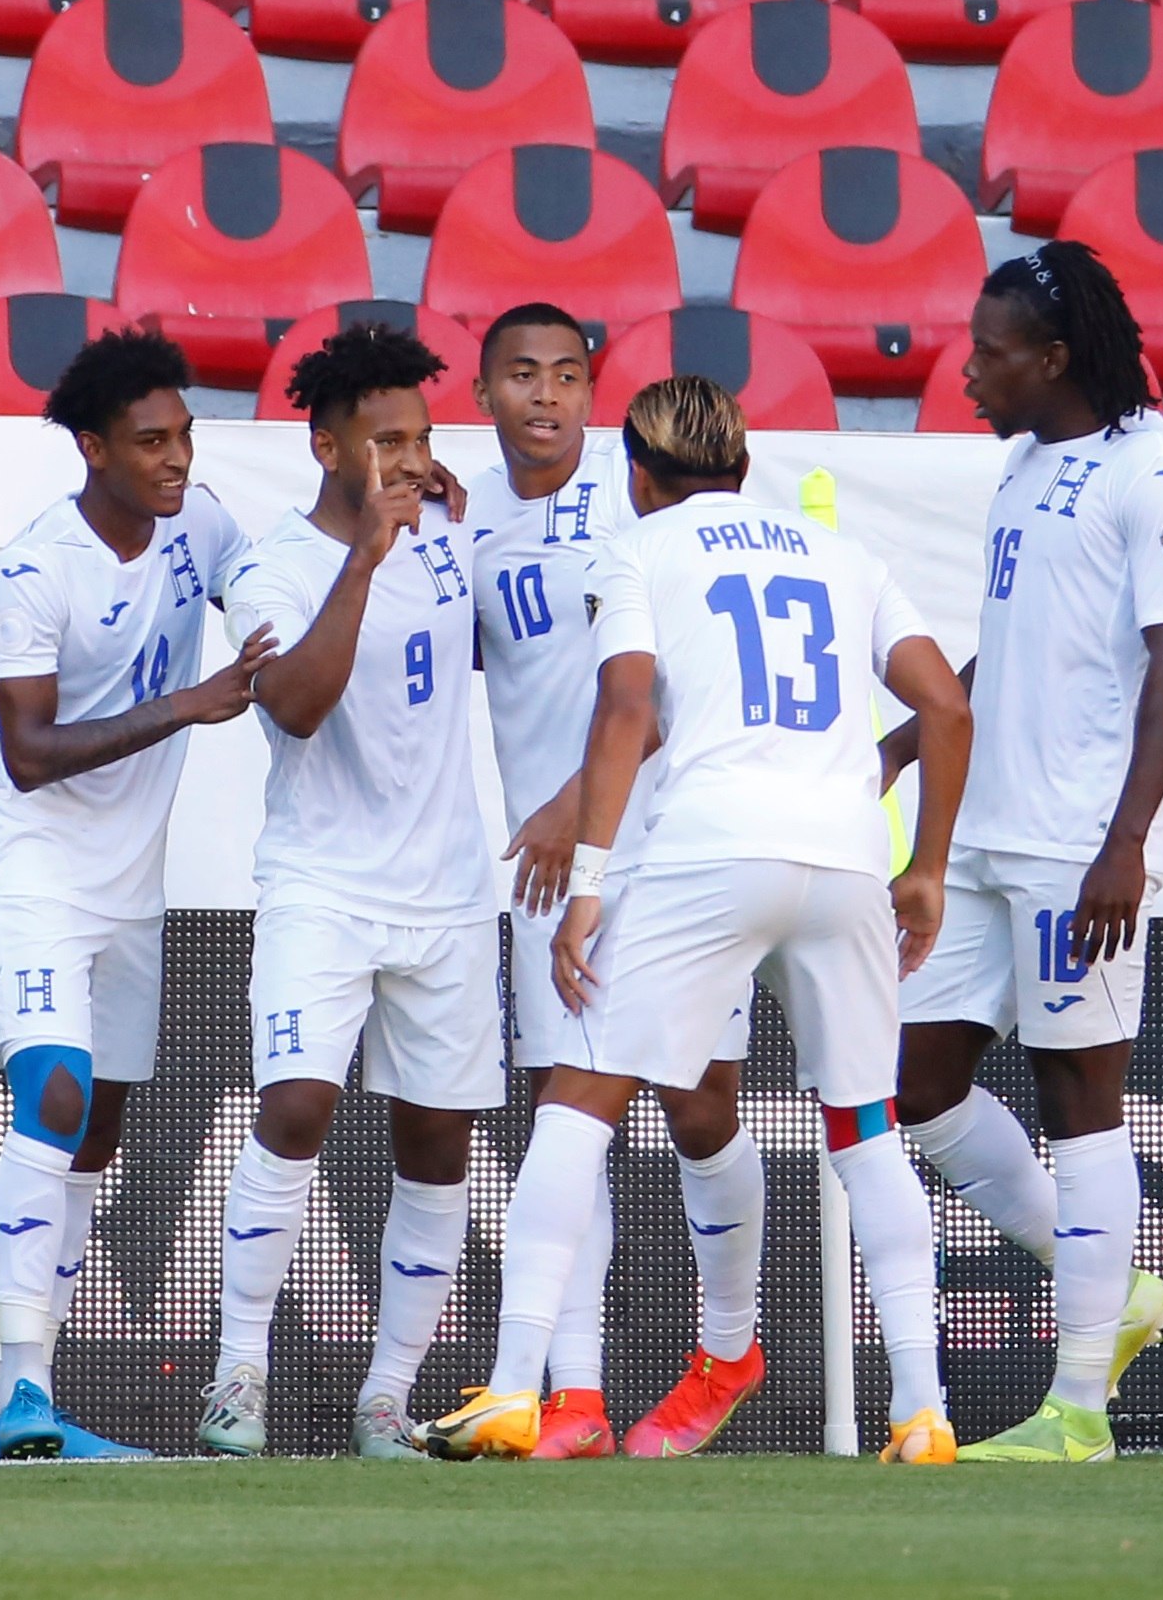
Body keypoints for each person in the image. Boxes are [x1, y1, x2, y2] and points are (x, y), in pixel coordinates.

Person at [420, 375, 971, 1464]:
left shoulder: (641, 551)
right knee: (866, 1131)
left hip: (712, 850)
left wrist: (587, 885)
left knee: (579, 1101)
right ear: (746, 465)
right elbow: (946, 705)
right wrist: (930, 867)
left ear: (637, 474)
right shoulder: (843, 557)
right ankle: (924, 1411)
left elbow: (630, 706)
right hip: (847, 857)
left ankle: (517, 1387)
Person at [881, 242, 1163, 1463]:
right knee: (917, 1081)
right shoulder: (1021, 470)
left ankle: (1079, 1410)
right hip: (980, 838)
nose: (970, 374)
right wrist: (907, 742)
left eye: (993, 353)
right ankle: (1116, 1299)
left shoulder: (1156, 471)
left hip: (1078, 847)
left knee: (1082, 1107)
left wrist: (1124, 840)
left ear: (1056, 359)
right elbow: (1008, 646)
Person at [461, 304, 769, 1461]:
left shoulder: (643, 499)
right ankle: (574, 1399)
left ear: (594, 394)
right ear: (484, 391)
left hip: (667, 846)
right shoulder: (465, 517)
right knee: (569, 1115)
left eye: (567, 377)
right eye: (521, 376)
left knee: (702, 1111)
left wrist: (565, 808)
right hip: (560, 874)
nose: (545, 396)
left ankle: (728, 1345)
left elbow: (654, 691)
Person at [0, 328, 274, 1461]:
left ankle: (26, 1397)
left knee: (93, 1132)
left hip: (130, 888)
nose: (177, 458)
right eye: (151, 441)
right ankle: (17, 1400)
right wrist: (188, 705)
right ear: (91, 448)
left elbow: (261, 585)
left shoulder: (203, 522)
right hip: (35, 868)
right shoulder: (35, 570)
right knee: (54, 1090)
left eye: (184, 435)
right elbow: (31, 749)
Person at [197, 324, 502, 1460]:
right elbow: (297, 705)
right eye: (387, 442)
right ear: (326, 446)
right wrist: (367, 557)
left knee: (438, 1143)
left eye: (421, 438)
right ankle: (239, 1373)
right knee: (296, 1108)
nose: (412, 461)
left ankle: (388, 1398)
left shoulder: (455, 538)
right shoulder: (274, 564)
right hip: (322, 884)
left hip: (451, 895)